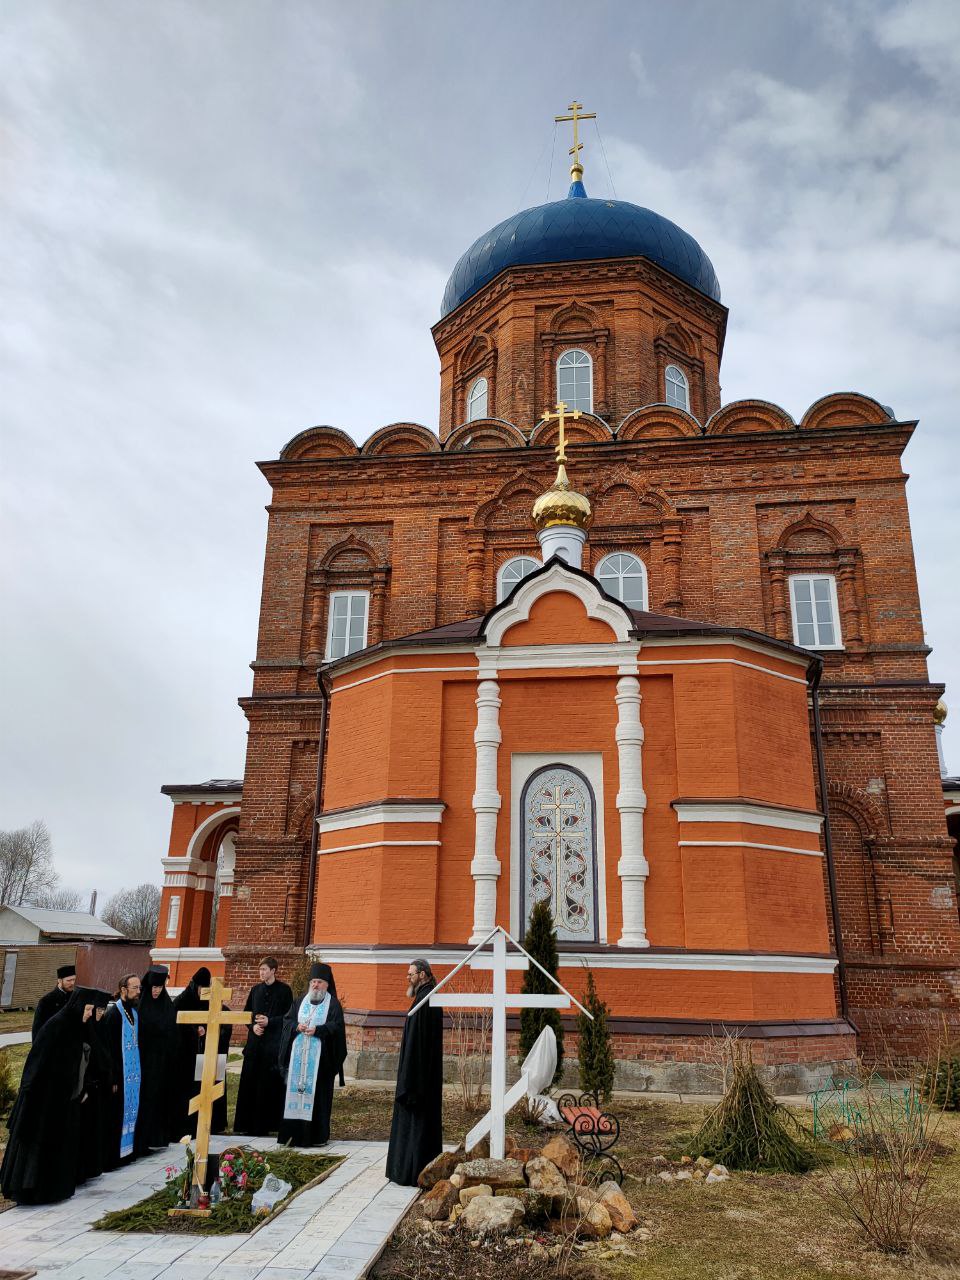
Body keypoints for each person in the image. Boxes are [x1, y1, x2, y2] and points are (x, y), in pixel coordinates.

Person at [1, 987, 98, 1203]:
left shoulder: (75, 1027)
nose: (89, 1014)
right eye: (87, 1009)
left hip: (61, 1098)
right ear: (77, 1006)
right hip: (42, 1099)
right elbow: (37, 1063)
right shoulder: (57, 1025)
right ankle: (32, 1192)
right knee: (37, 1148)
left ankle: (53, 1190)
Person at [385, 958, 444, 1186]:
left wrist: (409, 1082)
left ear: (423, 974)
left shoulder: (427, 1000)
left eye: (411, 974)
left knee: (418, 1123)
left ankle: (413, 1170)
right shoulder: (424, 997)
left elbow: (419, 1045)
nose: (407, 978)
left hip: (419, 1080)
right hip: (419, 1076)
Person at [277, 962, 347, 1148]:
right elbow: (287, 1021)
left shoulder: (333, 1004)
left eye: (319, 982)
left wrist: (319, 1030)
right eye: (313, 982)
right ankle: (292, 1137)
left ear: (327, 985)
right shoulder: (300, 1001)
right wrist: (296, 1026)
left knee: (318, 1099)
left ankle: (316, 1137)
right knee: (295, 1095)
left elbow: (337, 1028)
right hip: (297, 1059)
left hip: (321, 1063)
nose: (315, 985)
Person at [233, 957, 293, 1136]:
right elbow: (247, 1013)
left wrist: (270, 1022)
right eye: (260, 970)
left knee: (268, 1086)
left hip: (272, 1047)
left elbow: (288, 1017)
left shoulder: (284, 990)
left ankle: (268, 1125)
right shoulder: (255, 990)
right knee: (250, 1084)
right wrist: (253, 1026)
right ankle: (246, 1125)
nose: (261, 973)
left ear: (273, 970)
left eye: (265, 969)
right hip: (255, 1045)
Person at [170, 967, 231, 1138]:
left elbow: (220, 1020)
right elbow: (177, 1025)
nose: (203, 992)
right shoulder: (182, 1001)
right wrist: (194, 1031)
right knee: (191, 1090)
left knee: (212, 1084)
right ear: (195, 986)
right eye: (200, 988)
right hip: (188, 1055)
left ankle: (214, 1123)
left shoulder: (215, 1003)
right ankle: (188, 1125)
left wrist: (207, 1030)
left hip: (209, 1052)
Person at [101, 973, 142, 1168]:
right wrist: (114, 1078)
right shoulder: (113, 1015)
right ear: (123, 989)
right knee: (116, 1116)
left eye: (139, 988)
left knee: (130, 1114)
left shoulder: (134, 1013)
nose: (138, 992)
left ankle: (127, 1154)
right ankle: (112, 1158)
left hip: (132, 1077)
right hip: (119, 1077)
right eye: (135, 988)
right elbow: (109, 1050)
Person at [134, 966, 177, 1152]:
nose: (156, 991)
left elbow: (173, 1032)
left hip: (160, 1061)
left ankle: (155, 1138)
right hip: (142, 1060)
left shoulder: (167, 1005)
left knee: (157, 1100)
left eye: (160, 987)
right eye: (154, 987)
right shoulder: (139, 1005)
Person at [76, 989, 112, 1184]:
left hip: (99, 1086)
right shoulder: (85, 1029)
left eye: (103, 1010)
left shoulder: (102, 1027)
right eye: (98, 1010)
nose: (100, 1014)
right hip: (86, 1088)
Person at [32, 963, 77, 1036]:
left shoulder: (76, 998)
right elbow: (37, 1029)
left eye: (74, 980)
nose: (72, 983)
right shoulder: (46, 1001)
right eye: (68, 980)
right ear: (59, 981)